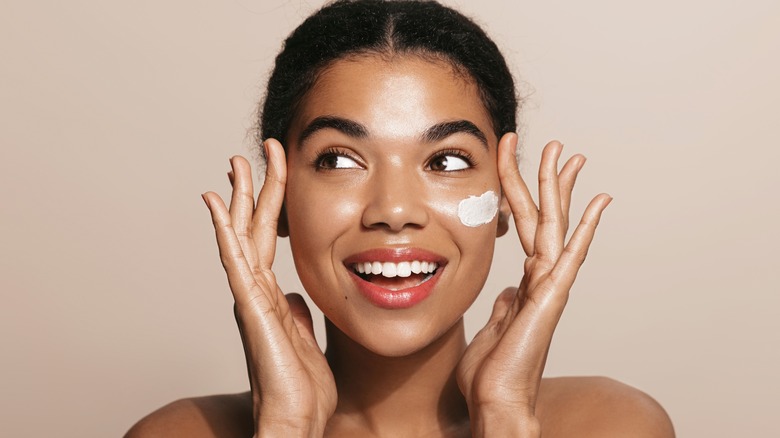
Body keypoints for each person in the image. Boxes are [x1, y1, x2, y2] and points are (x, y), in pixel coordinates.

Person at [127, 1, 674, 436]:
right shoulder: (176, 433)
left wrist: (505, 418)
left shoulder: (613, 425)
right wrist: (286, 428)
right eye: (339, 160)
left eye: (446, 160)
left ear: (507, 197)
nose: (393, 211)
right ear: (279, 196)